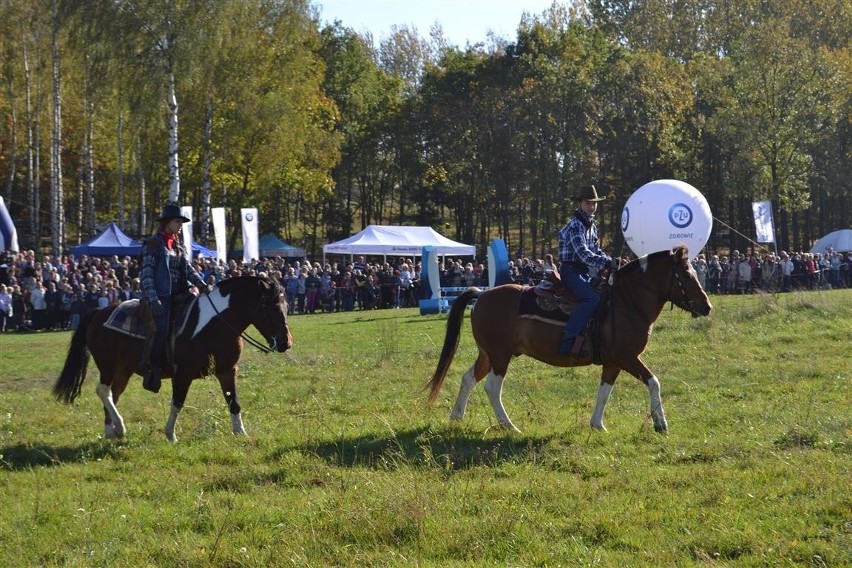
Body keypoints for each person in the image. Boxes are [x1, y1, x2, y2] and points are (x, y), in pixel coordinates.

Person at [139, 203, 211, 393]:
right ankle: (154, 370)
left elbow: (188, 270)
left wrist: (203, 285)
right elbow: (146, 275)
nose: (180, 225)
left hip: (181, 294)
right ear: (166, 223)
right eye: (177, 221)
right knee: (161, 330)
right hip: (161, 297)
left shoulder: (178, 246)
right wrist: (153, 299)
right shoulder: (152, 245)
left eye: (181, 222)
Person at [557, 184, 616, 357]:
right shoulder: (576, 225)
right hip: (571, 271)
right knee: (591, 299)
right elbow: (583, 254)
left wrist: (610, 261)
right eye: (588, 203)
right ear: (580, 204)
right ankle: (568, 340)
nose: (592, 206)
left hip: (583, 271)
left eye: (594, 203)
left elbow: (596, 251)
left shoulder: (591, 225)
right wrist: (606, 262)